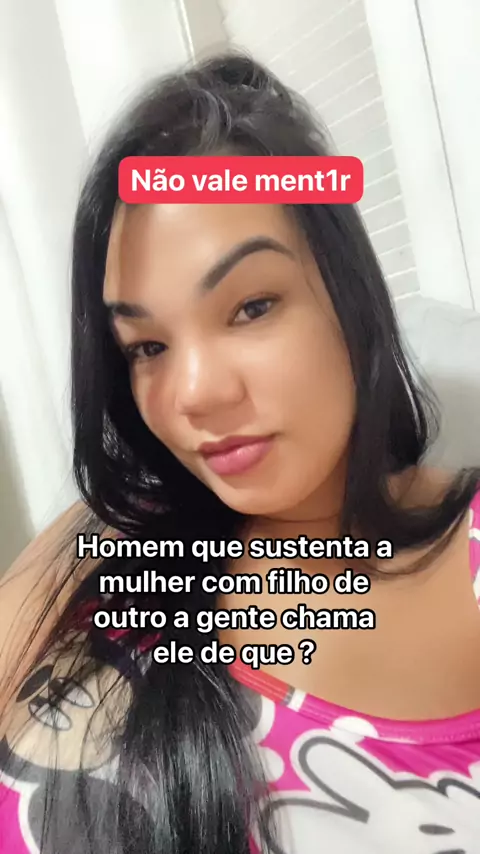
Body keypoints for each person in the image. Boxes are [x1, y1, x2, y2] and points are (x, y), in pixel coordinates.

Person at [0, 51, 480, 854]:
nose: (192, 394)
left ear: (350, 294)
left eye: (252, 306)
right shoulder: (107, 533)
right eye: (147, 346)